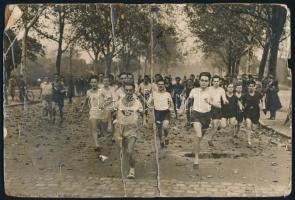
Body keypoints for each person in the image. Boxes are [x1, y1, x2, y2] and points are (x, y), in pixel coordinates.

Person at [188, 72, 218, 169]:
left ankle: (196, 147)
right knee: (198, 135)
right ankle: (196, 159)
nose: (203, 82)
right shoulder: (194, 90)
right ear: (199, 80)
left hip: (207, 116)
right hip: (196, 114)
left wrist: (210, 102)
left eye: (206, 81)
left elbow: (218, 105)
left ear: (209, 82)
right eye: (202, 80)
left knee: (199, 139)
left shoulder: (212, 92)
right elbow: (188, 100)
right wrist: (182, 107)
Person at [113, 83, 143, 179]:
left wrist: (145, 121)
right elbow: (112, 112)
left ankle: (132, 170)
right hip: (120, 128)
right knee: (123, 151)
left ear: (134, 91)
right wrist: (111, 123)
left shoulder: (138, 103)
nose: (129, 92)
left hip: (132, 129)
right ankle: (128, 165)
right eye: (127, 90)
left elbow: (143, 113)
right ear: (124, 91)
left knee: (130, 151)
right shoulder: (119, 102)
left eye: (131, 90)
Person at [80, 75, 108, 155]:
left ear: (97, 83)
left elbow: (108, 99)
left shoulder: (101, 91)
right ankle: (97, 145)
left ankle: (102, 134)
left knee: (103, 129)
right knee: (94, 128)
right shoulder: (88, 92)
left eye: (95, 82)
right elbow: (86, 100)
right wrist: (82, 109)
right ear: (90, 83)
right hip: (93, 111)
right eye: (92, 82)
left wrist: (104, 105)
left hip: (102, 112)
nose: (93, 84)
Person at [148, 79, 174, 148]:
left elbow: (171, 104)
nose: (160, 86)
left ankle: (166, 136)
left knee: (165, 127)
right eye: (159, 84)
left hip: (166, 112)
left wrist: (171, 110)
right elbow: (148, 103)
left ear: (164, 85)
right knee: (159, 128)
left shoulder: (167, 94)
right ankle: (161, 141)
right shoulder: (153, 94)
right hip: (157, 112)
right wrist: (151, 106)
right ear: (157, 85)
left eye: (162, 84)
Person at [207, 75, 228, 147]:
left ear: (219, 82)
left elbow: (224, 98)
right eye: (215, 81)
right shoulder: (209, 89)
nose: (216, 83)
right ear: (212, 82)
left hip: (218, 108)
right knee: (212, 125)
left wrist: (225, 101)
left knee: (215, 125)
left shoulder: (221, 90)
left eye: (217, 81)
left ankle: (210, 139)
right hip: (209, 108)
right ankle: (211, 134)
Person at [241, 80, 263, 146]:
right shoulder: (245, 95)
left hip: (256, 112)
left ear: (255, 87)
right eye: (250, 86)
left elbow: (262, 100)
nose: (251, 87)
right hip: (247, 112)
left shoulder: (258, 94)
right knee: (248, 125)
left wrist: (262, 106)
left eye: (252, 86)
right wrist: (242, 107)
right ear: (248, 87)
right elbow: (241, 103)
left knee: (254, 127)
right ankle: (248, 140)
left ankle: (251, 135)